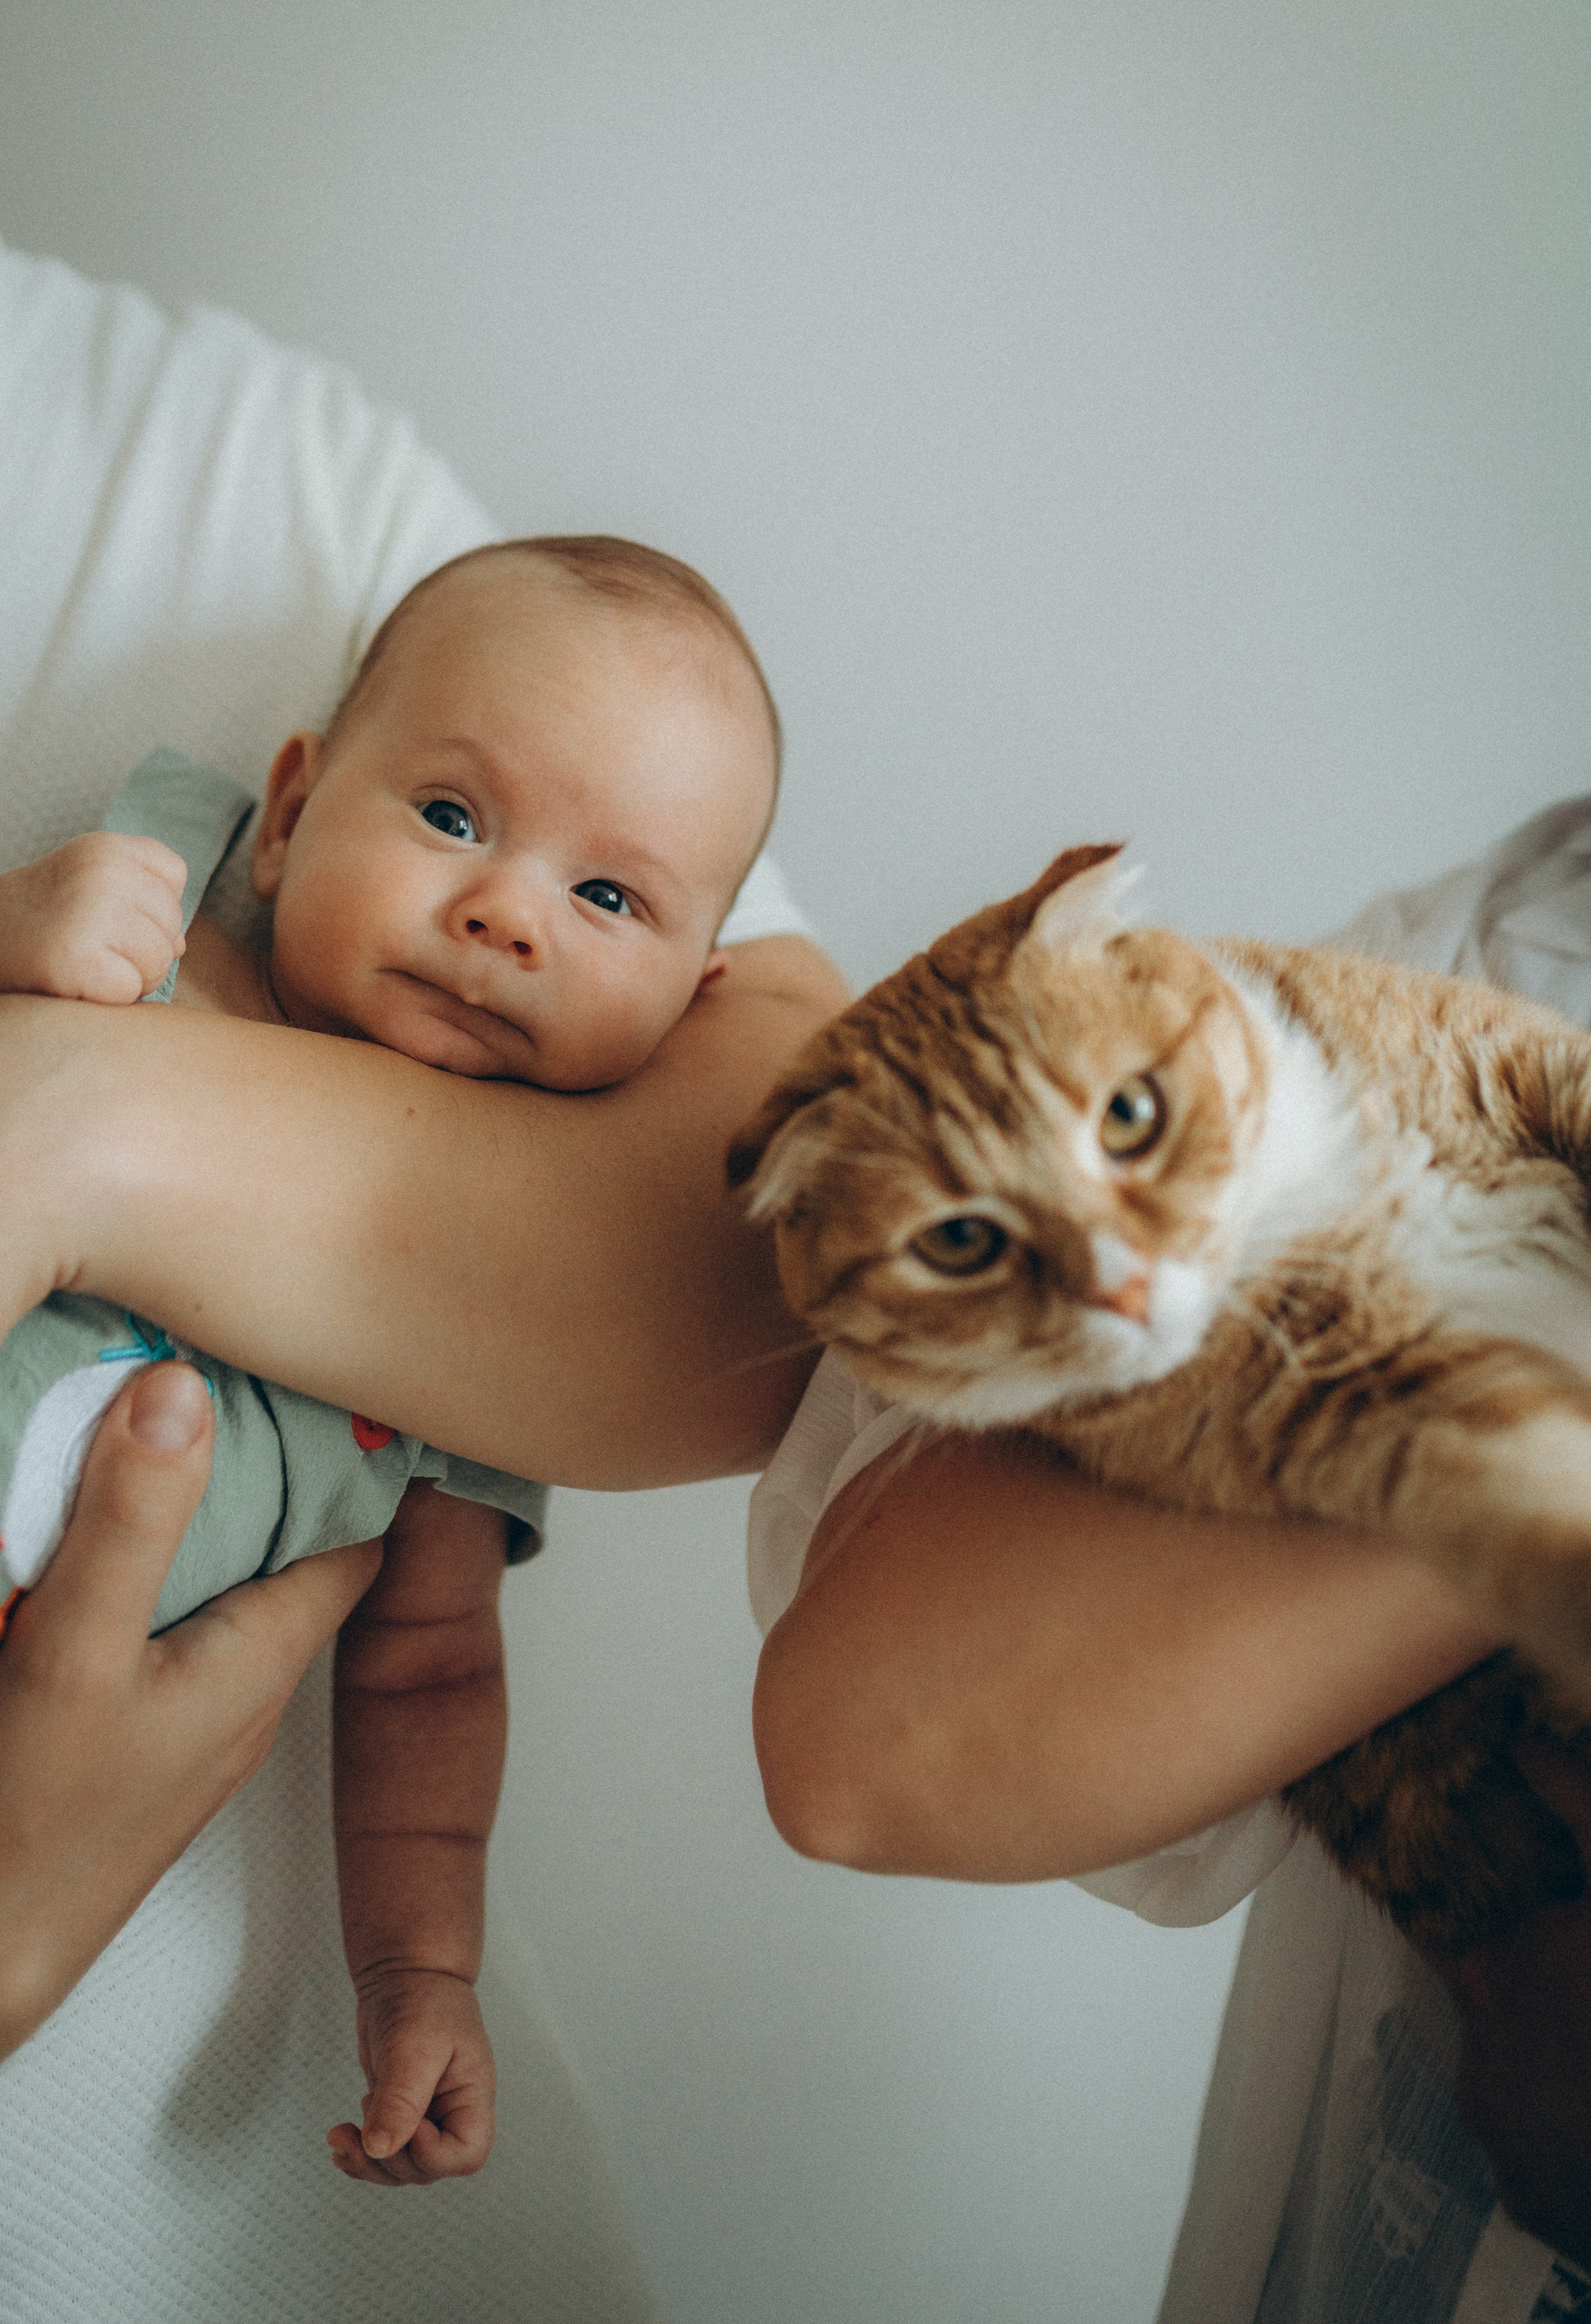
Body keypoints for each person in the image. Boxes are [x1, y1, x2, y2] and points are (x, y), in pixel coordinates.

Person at [0, 238, 844, 2320]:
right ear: (289, 813)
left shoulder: (485, 1350)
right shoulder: (162, 927)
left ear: (696, 995)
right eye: (452, 813)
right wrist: (28, 919)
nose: (506, 916)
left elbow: (426, 1674)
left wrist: (421, 1971)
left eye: (612, 897)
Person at [748, 799, 1591, 2322]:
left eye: (1129, 1127)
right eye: (969, 1243)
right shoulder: (1531, 915)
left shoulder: (1370, 1016)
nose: (1118, 1278)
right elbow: (857, 1754)